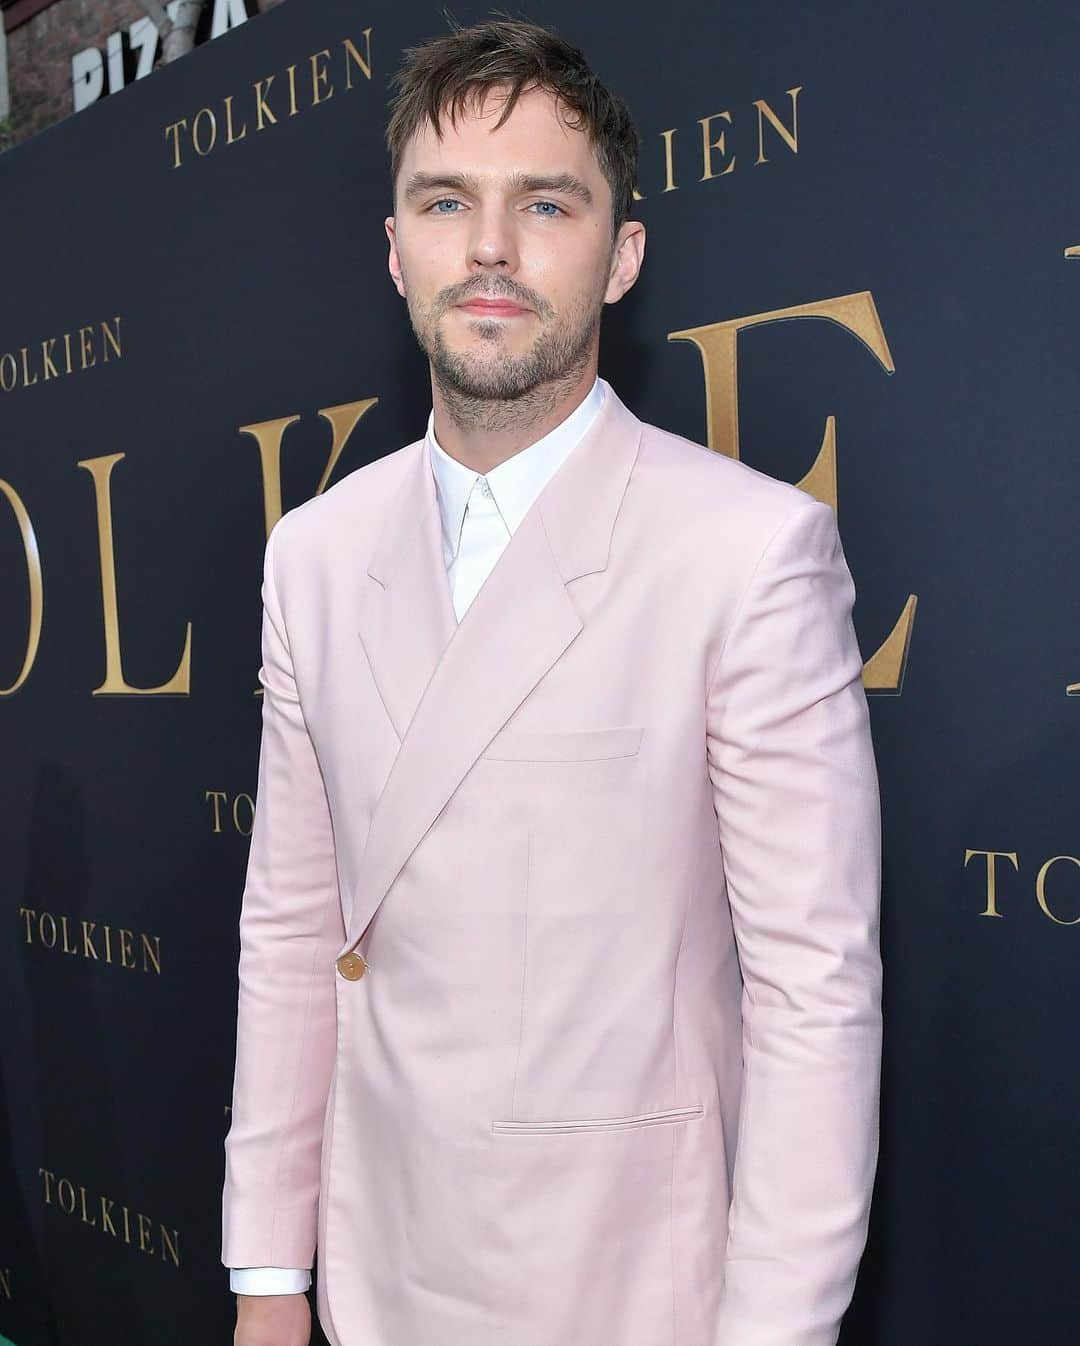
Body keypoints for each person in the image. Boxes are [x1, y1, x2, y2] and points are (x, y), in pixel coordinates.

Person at [221, 15, 883, 1346]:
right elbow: (294, 931)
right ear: (395, 247)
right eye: (445, 202)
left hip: (633, 1284)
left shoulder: (747, 553)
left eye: (547, 203)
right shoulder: (313, 554)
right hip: (378, 1269)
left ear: (621, 254)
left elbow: (815, 992)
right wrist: (268, 1277)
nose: (490, 248)